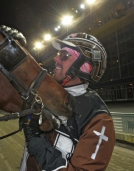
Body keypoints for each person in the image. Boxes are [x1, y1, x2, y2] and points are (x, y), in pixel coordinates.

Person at [19, 32, 116, 171]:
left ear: (85, 67)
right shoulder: (47, 95)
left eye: (64, 55)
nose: (56, 58)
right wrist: (29, 119)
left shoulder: (99, 120)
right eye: (59, 53)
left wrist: (38, 147)